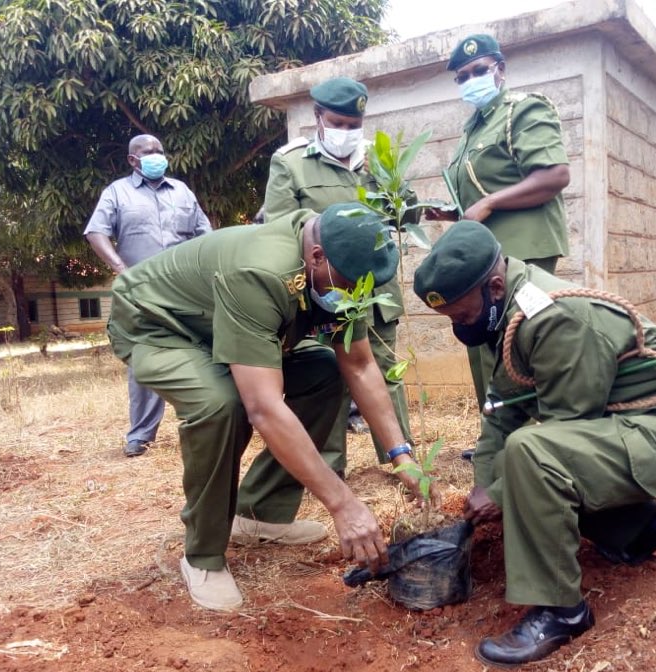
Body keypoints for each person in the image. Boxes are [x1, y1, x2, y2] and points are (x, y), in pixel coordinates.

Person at [412, 221, 656, 666]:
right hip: (638, 427)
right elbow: (502, 412)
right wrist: (484, 485)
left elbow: (564, 430)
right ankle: (644, 527)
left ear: (494, 284)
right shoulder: (507, 315)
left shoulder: (554, 318)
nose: (460, 327)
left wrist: (504, 494)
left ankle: (561, 611)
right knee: (524, 456)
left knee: (533, 455)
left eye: (463, 316)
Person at [107, 202, 433, 612]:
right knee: (220, 403)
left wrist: (402, 458)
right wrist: (343, 504)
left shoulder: (341, 264)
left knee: (326, 372)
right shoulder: (262, 272)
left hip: (221, 324)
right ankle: (203, 557)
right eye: (350, 285)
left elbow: (360, 364)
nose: (354, 295)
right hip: (160, 324)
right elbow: (263, 407)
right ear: (317, 257)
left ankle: (259, 514)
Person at [427, 33, 571, 461]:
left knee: (523, 343)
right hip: (486, 258)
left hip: (523, 253)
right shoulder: (472, 129)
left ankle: (537, 443)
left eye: (478, 71)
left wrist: (489, 202)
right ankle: (498, 439)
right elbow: (476, 199)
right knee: (483, 345)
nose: (470, 80)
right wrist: (452, 214)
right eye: (462, 76)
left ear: (500, 70)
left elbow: (554, 175)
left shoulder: (524, 110)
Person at [262, 76, 414, 475]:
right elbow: (281, 228)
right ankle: (330, 468)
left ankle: (399, 459)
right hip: (324, 290)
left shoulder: (379, 160)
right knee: (330, 375)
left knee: (385, 370)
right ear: (317, 117)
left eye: (353, 125)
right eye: (337, 123)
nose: (346, 132)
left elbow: (401, 210)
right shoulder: (290, 162)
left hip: (376, 289)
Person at [85, 134, 212, 457]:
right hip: (141, 290)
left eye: (159, 151)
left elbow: (205, 235)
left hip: (186, 289)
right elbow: (96, 231)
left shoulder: (182, 191)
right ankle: (140, 435)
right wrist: (119, 268)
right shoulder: (118, 193)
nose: (156, 156)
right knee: (144, 359)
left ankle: (210, 419)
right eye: (147, 152)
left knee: (206, 350)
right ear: (132, 160)